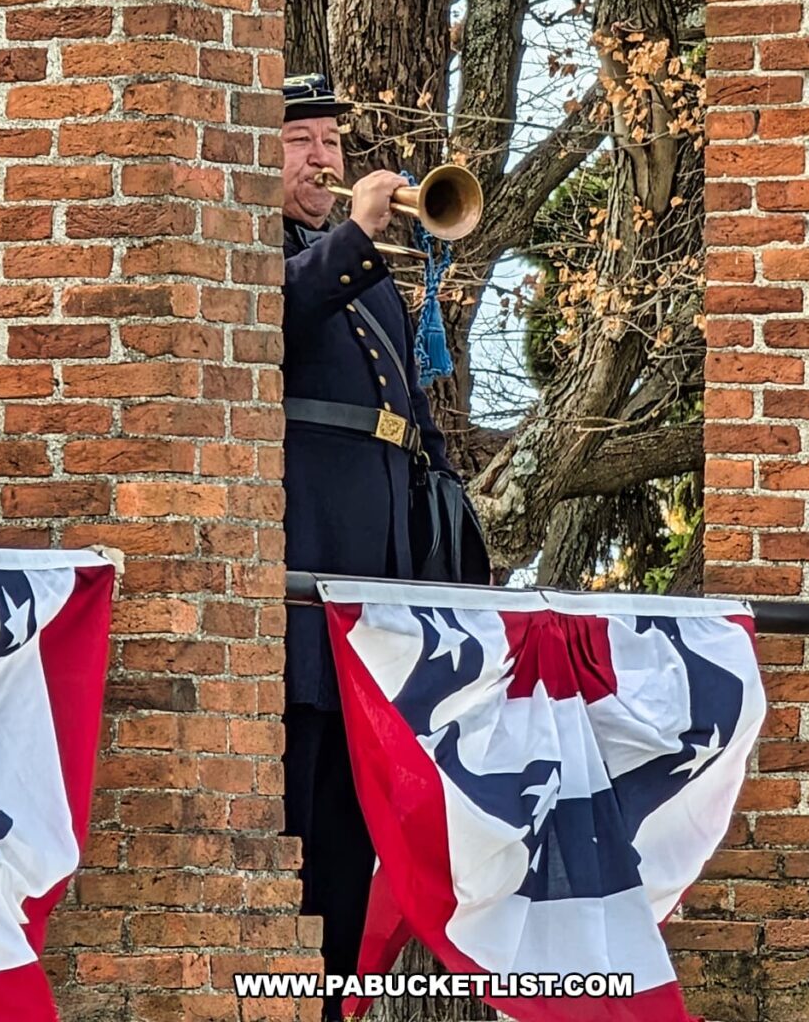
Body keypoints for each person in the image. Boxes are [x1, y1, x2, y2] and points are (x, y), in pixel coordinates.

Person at [278, 74, 459, 1021]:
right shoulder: (253, 255)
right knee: (299, 812)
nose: (323, 158)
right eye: (300, 141)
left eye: (331, 143)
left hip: (374, 586)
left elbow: (411, 423)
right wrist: (354, 234)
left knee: (359, 824)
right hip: (303, 586)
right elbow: (275, 311)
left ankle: (335, 1000)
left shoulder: (361, 274)